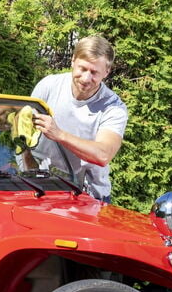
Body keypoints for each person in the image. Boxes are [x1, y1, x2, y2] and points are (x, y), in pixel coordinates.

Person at [29, 35, 128, 203]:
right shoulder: (49, 86)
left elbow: (103, 155)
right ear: (73, 61)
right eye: (83, 69)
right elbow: (25, 134)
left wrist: (59, 134)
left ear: (107, 71)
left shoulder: (114, 107)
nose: (86, 78)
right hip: (41, 187)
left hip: (88, 196)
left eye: (94, 72)